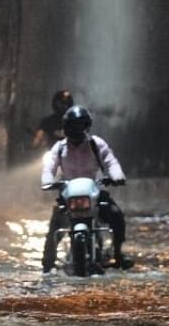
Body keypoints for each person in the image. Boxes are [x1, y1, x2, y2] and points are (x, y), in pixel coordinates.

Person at [40, 105, 129, 273]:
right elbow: (49, 167)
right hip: (68, 193)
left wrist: (117, 176)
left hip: (94, 191)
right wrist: (47, 181)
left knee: (116, 215)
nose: (77, 129)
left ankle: (118, 254)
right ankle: (48, 261)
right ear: (66, 127)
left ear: (87, 126)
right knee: (56, 224)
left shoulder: (96, 144)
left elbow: (110, 161)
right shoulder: (59, 148)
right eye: (73, 125)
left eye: (80, 125)